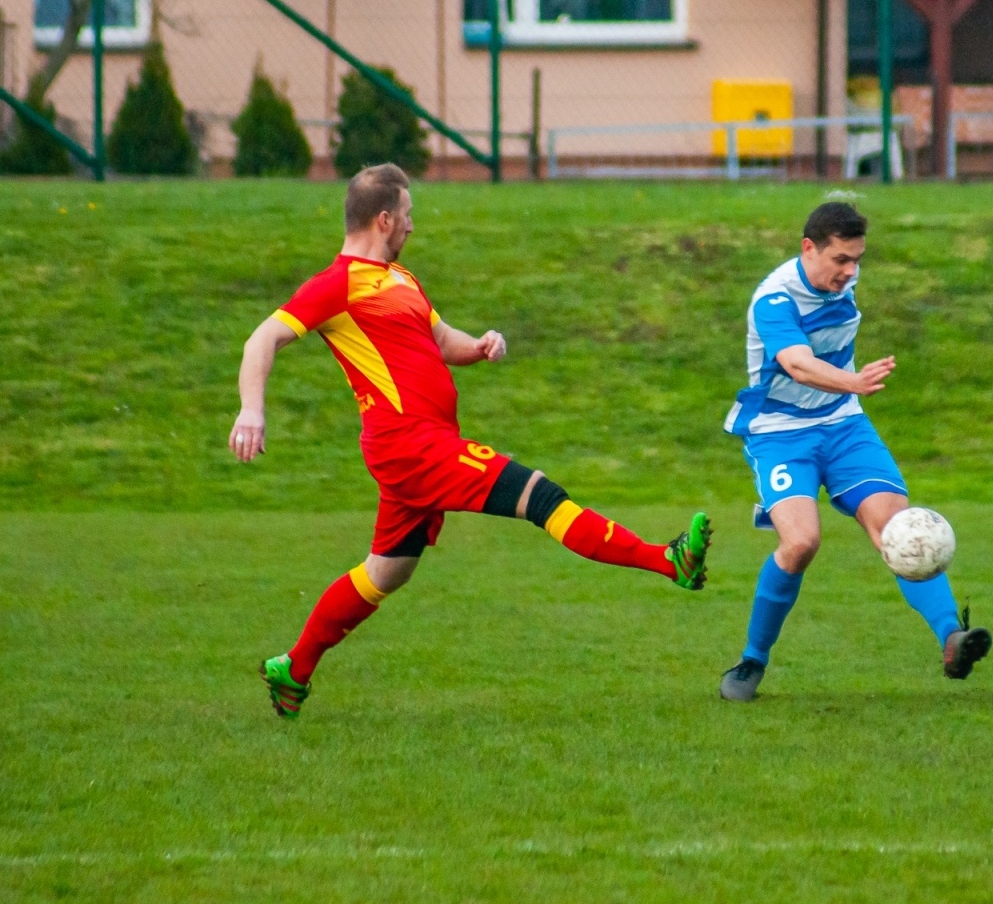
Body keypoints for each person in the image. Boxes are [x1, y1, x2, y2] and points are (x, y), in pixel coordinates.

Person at [232, 164, 711, 719]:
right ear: (384, 219)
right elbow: (263, 337)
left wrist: (479, 345)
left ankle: (294, 669)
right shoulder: (336, 285)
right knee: (541, 496)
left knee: (387, 570)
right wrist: (252, 409)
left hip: (424, 443)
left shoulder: (401, 280)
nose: (412, 226)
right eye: (407, 217)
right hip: (410, 445)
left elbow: (439, 339)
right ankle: (669, 560)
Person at [717, 200, 989, 701]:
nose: (849, 271)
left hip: (843, 426)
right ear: (808, 249)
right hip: (780, 432)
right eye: (840, 259)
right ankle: (751, 662)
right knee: (800, 543)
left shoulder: (839, 281)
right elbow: (797, 365)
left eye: (857, 260)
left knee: (898, 529)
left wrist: (847, 392)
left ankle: (952, 637)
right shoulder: (774, 301)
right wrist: (853, 382)